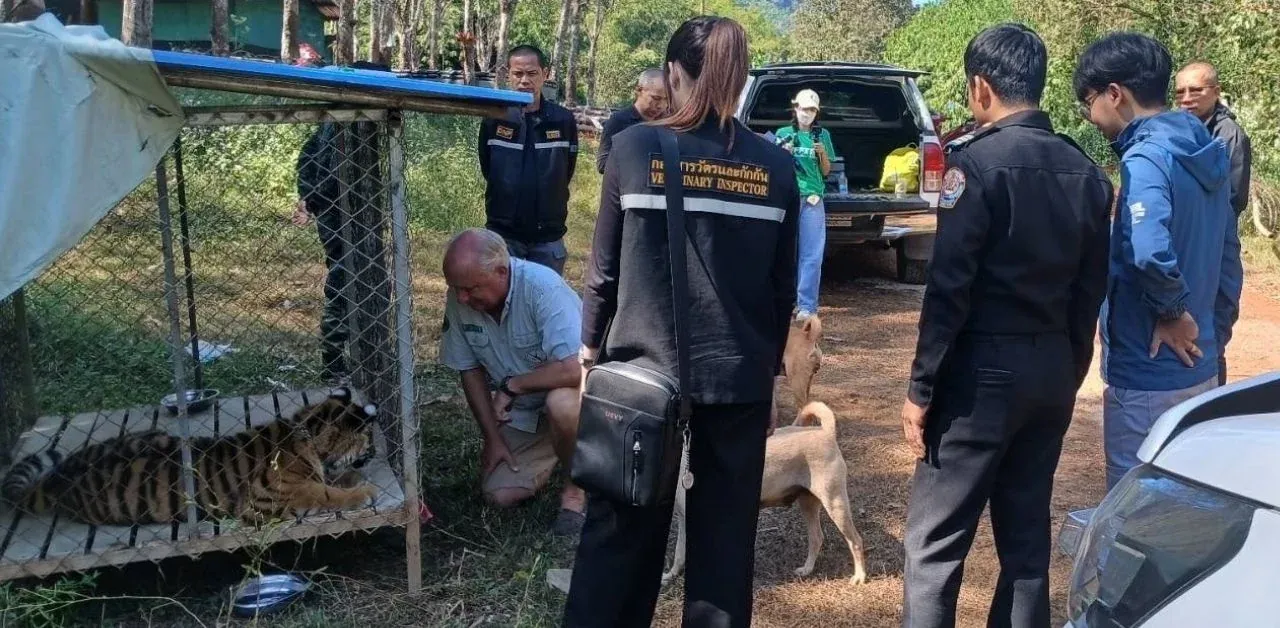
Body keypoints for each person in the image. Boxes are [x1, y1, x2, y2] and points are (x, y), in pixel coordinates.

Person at [564, 15, 799, 628]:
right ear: (741, 77)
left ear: (672, 74)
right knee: (724, 554)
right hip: (739, 382)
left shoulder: (635, 149)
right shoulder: (775, 168)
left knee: (617, 543)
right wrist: (769, 379)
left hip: (640, 382)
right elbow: (783, 291)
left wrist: (588, 353)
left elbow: (603, 272)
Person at [900, 24, 1113, 628]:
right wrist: (1068, 367)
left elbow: (948, 291)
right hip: (1050, 369)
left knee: (934, 547)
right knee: (1025, 543)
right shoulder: (1087, 172)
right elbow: (1089, 290)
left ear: (980, 86)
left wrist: (921, 390)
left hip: (979, 380)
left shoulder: (976, 167)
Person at [1074, 33, 1243, 491]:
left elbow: (1147, 248)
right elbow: (1230, 257)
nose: (1091, 116)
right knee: (1185, 495)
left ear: (1115, 94)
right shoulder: (1206, 152)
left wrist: (1172, 313)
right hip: (1199, 361)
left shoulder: (1146, 157)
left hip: (1148, 366)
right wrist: (1210, 331)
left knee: (1137, 498)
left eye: (1088, 102)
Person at [438, 228, 587, 536]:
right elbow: (469, 370)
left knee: (561, 404)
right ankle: (560, 450)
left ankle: (575, 493)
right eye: (456, 289)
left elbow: (578, 368)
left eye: (470, 289)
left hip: (577, 401)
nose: (462, 297)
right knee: (499, 495)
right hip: (528, 412)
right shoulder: (461, 296)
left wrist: (513, 386)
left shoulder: (543, 289)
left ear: (501, 271)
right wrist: (492, 438)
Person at [1175, 60, 1251, 386]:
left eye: (1196, 90)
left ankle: (1210, 405)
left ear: (1215, 92)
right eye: (1180, 92)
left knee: (1214, 329)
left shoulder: (1228, 135)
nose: (1187, 98)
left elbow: (1232, 198)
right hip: (1192, 243)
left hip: (1220, 242)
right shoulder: (1179, 129)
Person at [478, 45, 580, 276]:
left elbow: (567, 170)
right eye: (518, 73)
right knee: (503, 305)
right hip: (504, 235)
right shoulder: (494, 118)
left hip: (548, 238)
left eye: (532, 73)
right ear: (508, 75)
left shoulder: (562, 120)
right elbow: (488, 167)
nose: (525, 80)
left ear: (545, 74)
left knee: (543, 306)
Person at [774, 89, 836, 320]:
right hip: (789, 196)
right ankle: (782, 300)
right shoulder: (783, 133)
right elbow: (776, 168)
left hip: (812, 198)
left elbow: (826, 171)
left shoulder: (822, 136)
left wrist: (822, 155)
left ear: (816, 113)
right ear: (795, 109)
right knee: (784, 251)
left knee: (811, 254)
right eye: (803, 109)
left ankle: (807, 306)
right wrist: (784, 153)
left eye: (811, 110)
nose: (806, 114)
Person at [596, 68, 669, 173]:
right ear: (639, 90)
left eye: (666, 100)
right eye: (656, 98)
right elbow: (602, 164)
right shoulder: (618, 121)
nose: (661, 106)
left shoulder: (667, 123)